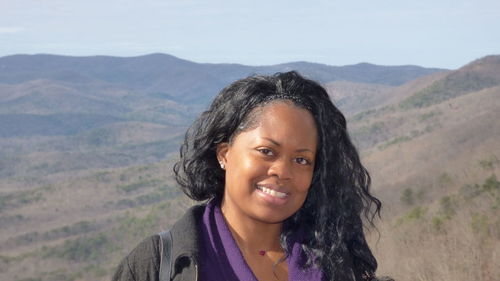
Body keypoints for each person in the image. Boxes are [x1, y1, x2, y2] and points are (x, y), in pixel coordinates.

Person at [112, 71, 386, 281]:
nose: (282, 171)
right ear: (224, 153)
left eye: (302, 159)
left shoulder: (335, 262)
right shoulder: (159, 263)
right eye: (266, 151)